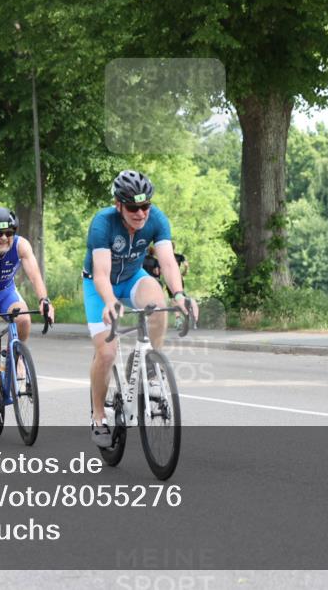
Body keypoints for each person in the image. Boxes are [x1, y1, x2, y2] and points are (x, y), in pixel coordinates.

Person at [83, 170, 195, 448]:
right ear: (118, 204)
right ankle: (98, 416)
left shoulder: (156, 219)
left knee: (158, 307)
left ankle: (149, 365)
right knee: (107, 353)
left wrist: (179, 294)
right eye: (133, 207)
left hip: (133, 278)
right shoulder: (103, 223)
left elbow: (168, 263)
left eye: (145, 206)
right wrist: (110, 302)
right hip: (101, 286)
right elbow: (101, 273)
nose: (141, 213)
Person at [0, 207, 54, 424]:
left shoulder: (21, 245)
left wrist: (44, 300)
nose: (4, 238)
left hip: (5, 291)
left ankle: (15, 356)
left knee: (24, 318)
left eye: (9, 233)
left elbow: (34, 275)